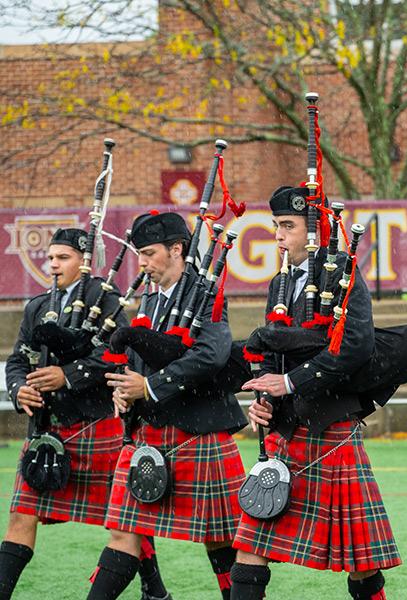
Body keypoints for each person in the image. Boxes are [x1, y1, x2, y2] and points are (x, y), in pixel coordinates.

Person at [230, 186, 400, 600]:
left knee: (362, 561)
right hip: (285, 433)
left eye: (287, 226)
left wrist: (290, 382)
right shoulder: (280, 283)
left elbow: (355, 348)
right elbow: (271, 348)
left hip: (332, 429)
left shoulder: (344, 273)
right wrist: (265, 398)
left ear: (315, 230)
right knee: (249, 549)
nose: (278, 236)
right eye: (276, 226)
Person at [0, 227, 170, 600]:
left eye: (64, 258)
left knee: (126, 522)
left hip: (95, 425)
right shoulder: (37, 306)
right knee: (20, 516)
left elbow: (119, 354)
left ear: (86, 262)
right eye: (51, 258)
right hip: (46, 430)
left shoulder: (107, 301)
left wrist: (67, 375)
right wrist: (19, 389)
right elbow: (17, 361)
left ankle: (154, 590)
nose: (54, 265)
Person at [86, 211, 247, 600]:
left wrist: (151, 387)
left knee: (219, 539)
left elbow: (211, 354)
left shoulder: (205, 291)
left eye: (148, 253)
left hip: (197, 431)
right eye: (138, 254)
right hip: (147, 435)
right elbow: (143, 354)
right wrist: (125, 388)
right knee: (123, 531)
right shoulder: (151, 297)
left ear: (176, 249)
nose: (141, 263)